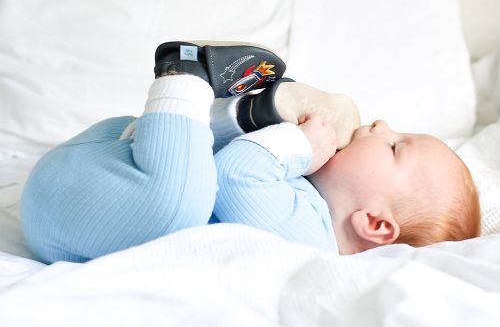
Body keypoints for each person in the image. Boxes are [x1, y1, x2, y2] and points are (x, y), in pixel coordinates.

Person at [20, 41, 481, 263]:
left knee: (184, 199)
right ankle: (247, 112)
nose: (382, 125)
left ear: (375, 224)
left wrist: (300, 143)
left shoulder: (308, 237)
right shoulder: (302, 193)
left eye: (396, 146)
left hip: (83, 210)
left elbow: (236, 174)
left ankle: (185, 77)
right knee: (189, 184)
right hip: (101, 175)